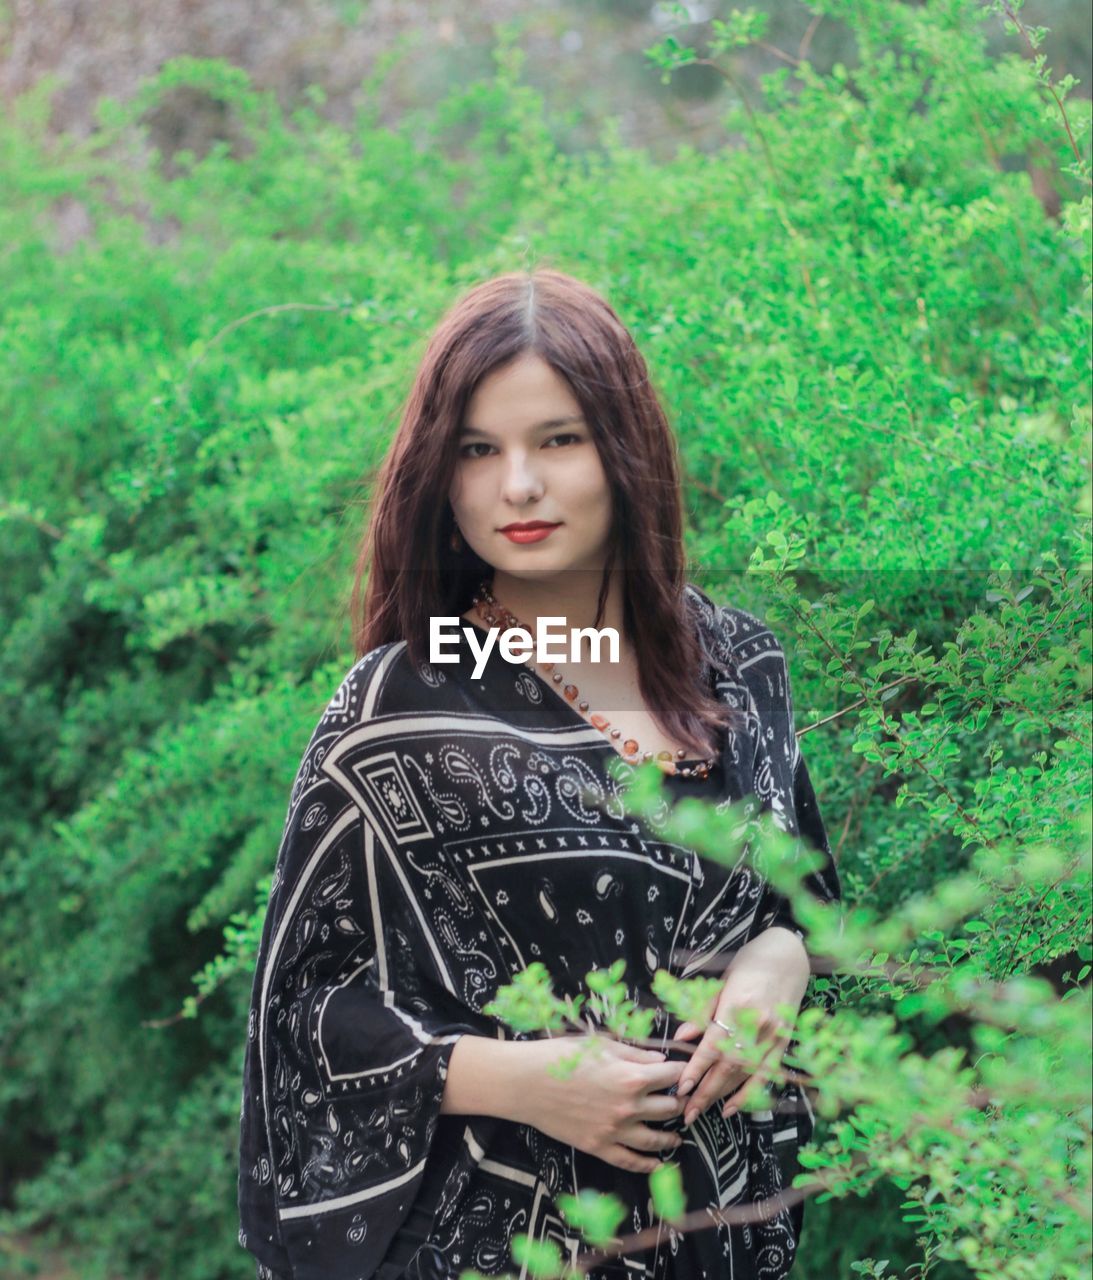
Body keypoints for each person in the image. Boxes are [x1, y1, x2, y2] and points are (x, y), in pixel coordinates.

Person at [237, 268, 841, 1280]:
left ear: (624, 447)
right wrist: (527, 1079)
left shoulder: (742, 662)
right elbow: (304, 1019)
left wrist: (778, 962)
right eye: (478, 449)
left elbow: (805, 897)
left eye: (557, 439)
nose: (516, 484)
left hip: (722, 1235)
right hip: (492, 1242)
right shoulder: (397, 706)